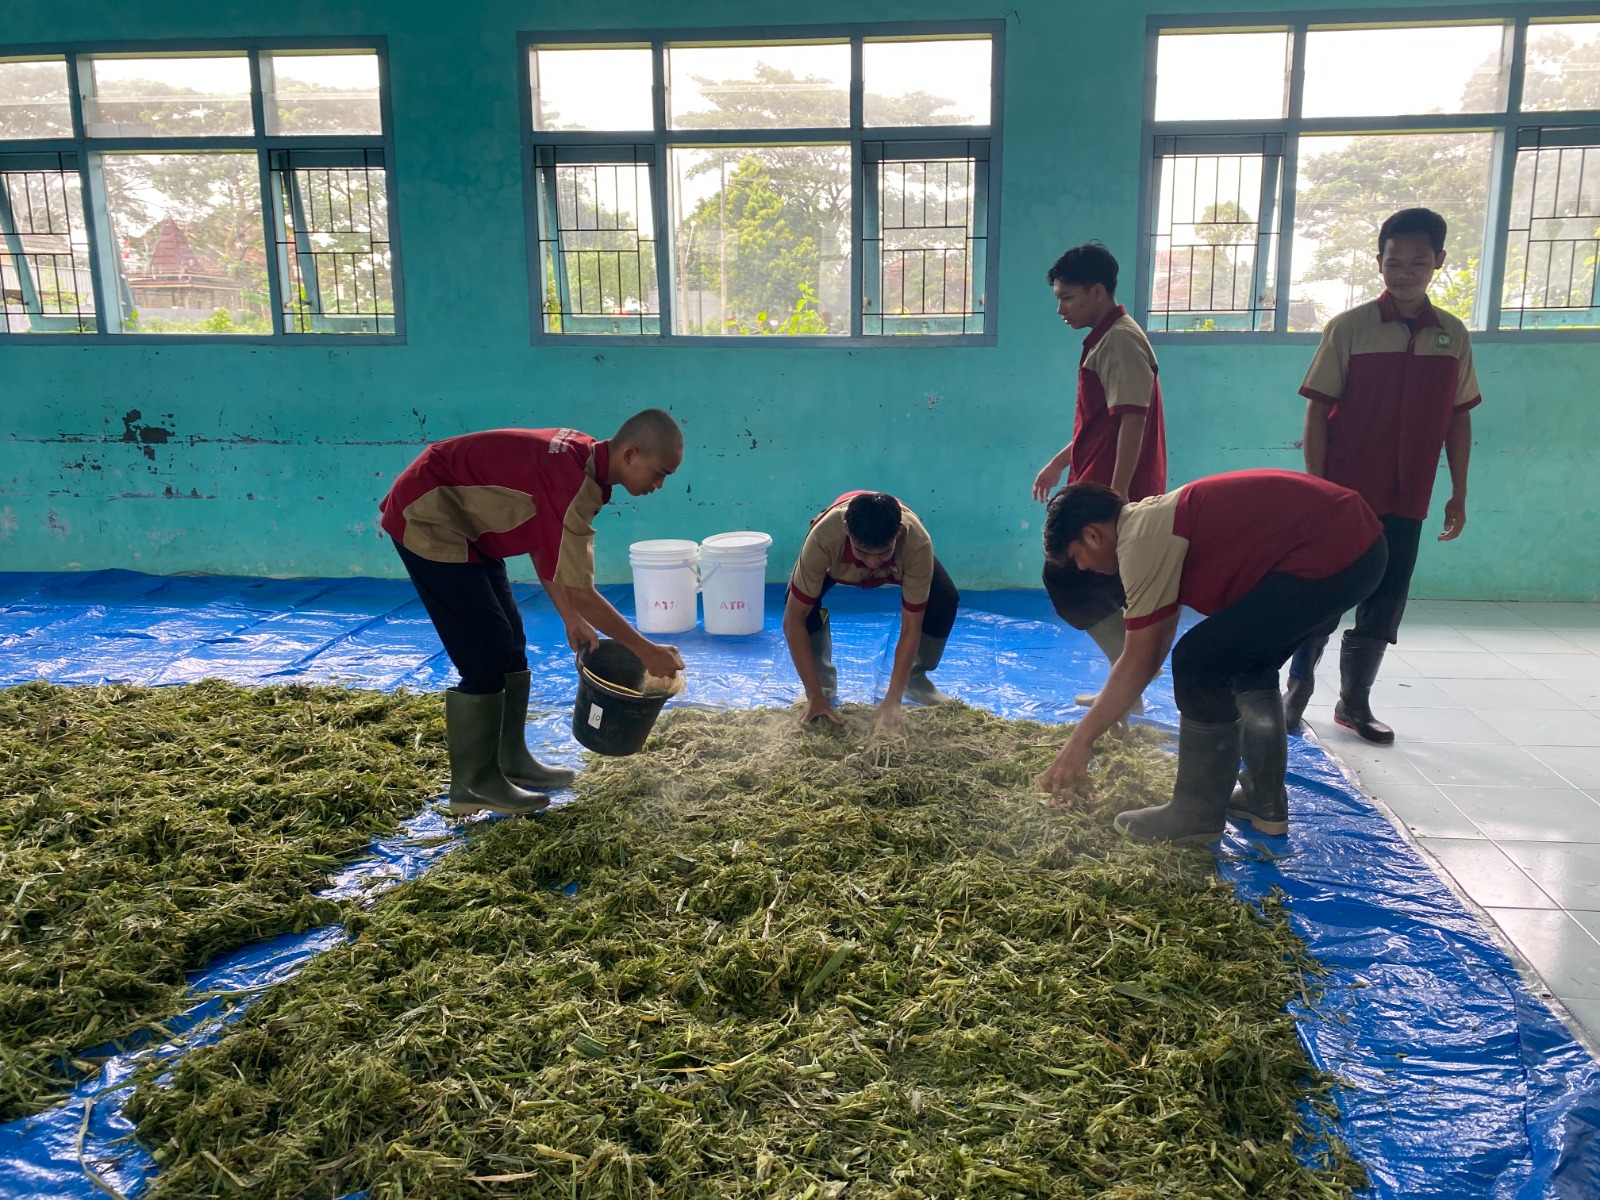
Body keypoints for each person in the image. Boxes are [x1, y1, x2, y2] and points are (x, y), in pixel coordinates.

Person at [1037, 471, 1387, 845]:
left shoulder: (1141, 541)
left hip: (1336, 548)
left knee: (1198, 661)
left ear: (1092, 535)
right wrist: (1112, 705)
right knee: (1246, 663)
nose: (1084, 569)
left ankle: (1195, 815)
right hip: (1356, 546)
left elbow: (1143, 658)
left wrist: (1081, 741)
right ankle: (1263, 800)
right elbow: (1150, 648)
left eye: (1078, 558)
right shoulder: (1150, 524)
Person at [379, 410, 685, 817]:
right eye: (659, 473)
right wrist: (645, 651)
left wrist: (571, 618)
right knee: (484, 655)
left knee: (511, 642)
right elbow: (582, 589)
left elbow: (550, 547)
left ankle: (509, 760)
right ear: (630, 454)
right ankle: (472, 785)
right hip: (430, 516)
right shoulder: (573, 482)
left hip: (468, 527)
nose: (659, 485)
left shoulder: (586, 464)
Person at [1283, 208, 1481, 744]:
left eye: (1419, 262)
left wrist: (1458, 491)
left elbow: (1459, 420)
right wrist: (1318, 489)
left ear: (1439, 262)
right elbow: (1316, 414)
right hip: (1346, 496)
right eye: (1394, 262)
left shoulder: (1453, 336)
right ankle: (1296, 693)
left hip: (1409, 497)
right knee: (1323, 592)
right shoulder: (1349, 329)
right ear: (1379, 263)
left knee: (1386, 596)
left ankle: (1354, 703)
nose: (1405, 272)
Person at [1030, 243, 1168, 720]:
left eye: (1068, 298)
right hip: (1095, 488)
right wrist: (1058, 463)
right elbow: (1100, 425)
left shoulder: (1123, 341)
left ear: (1097, 291)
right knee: (1101, 585)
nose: (1060, 309)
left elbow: (1133, 421)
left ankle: (1127, 685)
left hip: (1110, 497)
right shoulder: (1105, 340)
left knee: (1070, 574)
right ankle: (1125, 685)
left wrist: (1117, 499)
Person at [783, 491, 959, 733]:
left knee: (945, 598)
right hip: (833, 561)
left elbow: (911, 627)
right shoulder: (823, 537)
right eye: (863, 553)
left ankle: (914, 679)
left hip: (904, 556)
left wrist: (893, 700)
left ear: (897, 533)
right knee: (797, 602)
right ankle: (821, 684)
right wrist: (814, 696)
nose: (873, 563)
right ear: (846, 529)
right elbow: (793, 620)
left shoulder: (917, 542)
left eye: (883, 553)